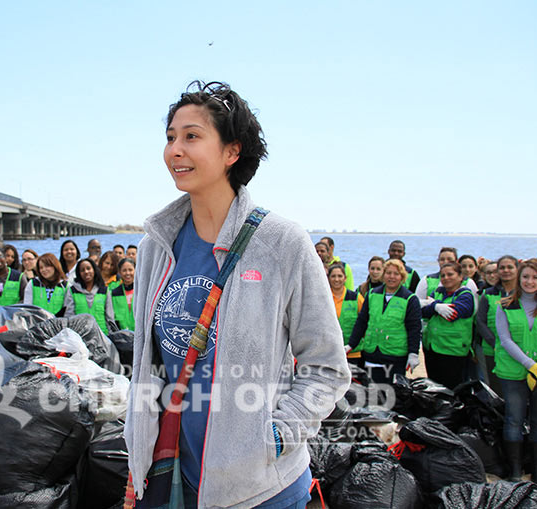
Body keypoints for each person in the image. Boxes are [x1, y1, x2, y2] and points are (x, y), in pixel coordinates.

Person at [125, 81, 349, 508]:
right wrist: (138, 455)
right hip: (171, 473)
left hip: (260, 488)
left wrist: (277, 437)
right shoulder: (157, 245)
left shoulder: (282, 242)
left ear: (232, 151)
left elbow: (327, 366)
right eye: (170, 137)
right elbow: (147, 363)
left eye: (192, 136)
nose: (175, 149)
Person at [495, 259, 537, 487]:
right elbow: (505, 339)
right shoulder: (504, 305)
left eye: (535, 277)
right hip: (514, 372)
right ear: (519, 279)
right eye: (526, 277)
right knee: (514, 419)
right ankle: (514, 470)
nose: (530, 282)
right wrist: (530, 365)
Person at [347, 259, 422, 384]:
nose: (391, 277)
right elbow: (362, 321)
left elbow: (414, 328)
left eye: (396, 274)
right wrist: (351, 344)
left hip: (396, 355)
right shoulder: (372, 294)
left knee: (392, 394)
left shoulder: (409, 298)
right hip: (372, 352)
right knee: (372, 390)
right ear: (383, 274)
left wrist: (413, 353)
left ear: (402, 277)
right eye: (388, 273)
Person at [421, 262, 476, 390]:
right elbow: (424, 312)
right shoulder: (438, 292)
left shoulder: (465, 295)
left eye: (450, 274)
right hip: (432, 348)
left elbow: (452, 314)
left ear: (460, 276)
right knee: (435, 387)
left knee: (454, 389)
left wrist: (434, 305)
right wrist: (437, 306)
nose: (446, 278)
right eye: (443, 275)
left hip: (453, 350)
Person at [476, 255, 518, 395]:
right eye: (502, 268)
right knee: (495, 390)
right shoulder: (488, 294)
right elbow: (481, 321)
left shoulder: (523, 293)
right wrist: (495, 343)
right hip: (492, 349)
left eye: (510, 267)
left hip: (519, 350)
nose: (506, 270)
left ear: (517, 269)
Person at [64, 258, 113, 333]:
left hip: (102, 334)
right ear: (78, 273)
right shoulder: (72, 291)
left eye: (88, 268)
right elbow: (69, 315)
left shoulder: (104, 290)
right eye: (82, 270)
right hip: (80, 335)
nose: (86, 272)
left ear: (94, 270)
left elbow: (110, 317)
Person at [329, 263, 364, 366]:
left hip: (352, 353)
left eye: (340, 276)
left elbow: (365, 321)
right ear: (328, 278)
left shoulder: (356, 298)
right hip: (329, 352)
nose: (336, 279)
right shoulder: (324, 298)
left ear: (345, 278)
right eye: (333, 276)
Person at [110, 257, 135, 330]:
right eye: (124, 270)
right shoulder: (114, 293)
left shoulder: (141, 291)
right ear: (120, 272)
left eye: (130, 270)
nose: (127, 273)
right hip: (121, 335)